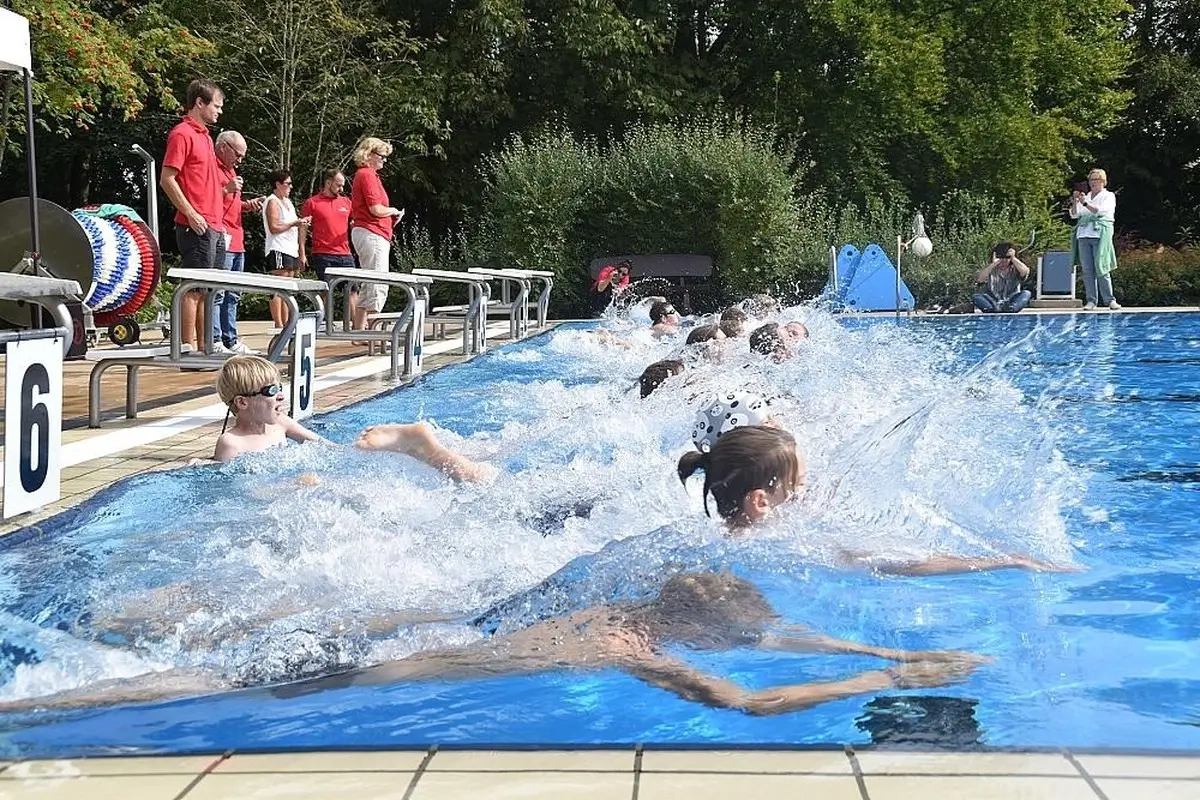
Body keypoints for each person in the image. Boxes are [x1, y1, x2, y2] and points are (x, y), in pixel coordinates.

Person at [0, 572, 985, 715]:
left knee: (205, 657)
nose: (743, 641)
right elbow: (748, 700)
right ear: (693, 630)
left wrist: (864, 647)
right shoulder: (632, 649)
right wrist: (884, 676)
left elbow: (769, 638)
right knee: (185, 686)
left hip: (380, 638)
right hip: (348, 673)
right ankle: (29, 706)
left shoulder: (621, 605)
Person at [679, 424, 1073, 575]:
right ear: (761, 502)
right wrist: (1003, 561)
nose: (805, 492)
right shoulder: (777, 546)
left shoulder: (720, 537)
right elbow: (893, 562)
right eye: (797, 486)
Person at [213, 356, 494, 483]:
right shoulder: (231, 443)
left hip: (301, 479)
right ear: (242, 402)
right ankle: (414, 445)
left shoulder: (282, 424)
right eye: (271, 391)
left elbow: (328, 449)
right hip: (302, 477)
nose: (281, 396)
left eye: (280, 387)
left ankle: (423, 448)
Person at [160, 79, 226, 354]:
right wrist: (191, 213)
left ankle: (204, 347)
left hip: (215, 224)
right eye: (216, 106)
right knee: (194, 288)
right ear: (199, 102)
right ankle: (186, 349)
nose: (219, 111)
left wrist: (220, 222)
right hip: (195, 224)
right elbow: (167, 178)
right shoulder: (182, 133)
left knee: (210, 289)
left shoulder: (206, 137)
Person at [211, 130, 263, 355]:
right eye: (238, 155)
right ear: (223, 147)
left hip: (237, 239)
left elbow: (230, 204)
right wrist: (226, 189)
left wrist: (248, 205)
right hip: (221, 238)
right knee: (218, 293)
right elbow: (205, 200)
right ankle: (214, 340)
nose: (240, 160)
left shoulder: (230, 170)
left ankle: (230, 339)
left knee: (233, 294)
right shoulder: (211, 167)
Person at [349, 137, 404, 334]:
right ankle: (374, 333)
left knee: (369, 284)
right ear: (370, 154)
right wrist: (393, 211)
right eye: (382, 156)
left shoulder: (368, 175)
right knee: (377, 284)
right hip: (372, 233)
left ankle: (359, 332)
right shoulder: (367, 175)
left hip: (371, 232)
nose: (384, 160)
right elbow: (376, 209)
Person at [261, 169, 310, 329]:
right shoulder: (272, 201)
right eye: (288, 183)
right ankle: (278, 324)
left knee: (287, 288)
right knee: (278, 286)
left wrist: (301, 224)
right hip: (278, 248)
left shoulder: (287, 202)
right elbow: (274, 227)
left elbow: (294, 225)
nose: (291, 187)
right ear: (278, 184)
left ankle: (288, 323)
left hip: (290, 249)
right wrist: (294, 224)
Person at [1069, 168, 1120, 310]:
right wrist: (1076, 201)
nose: (1093, 182)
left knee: (1101, 266)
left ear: (1103, 181)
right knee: (1087, 269)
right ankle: (1091, 300)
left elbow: (1100, 211)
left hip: (1099, 234)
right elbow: (1074, 215)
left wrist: (1085, 203)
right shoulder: (1086, 196)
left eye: (1096, 180)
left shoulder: (1108, 196)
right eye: (1091, 180)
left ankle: (1110, 299)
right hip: (1084, 234)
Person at [301, 169, 355, 283]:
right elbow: (303, 229)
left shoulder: (346, 202)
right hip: (323, 254)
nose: (341, 189)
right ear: (328, 183)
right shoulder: (312, 203)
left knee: (352, 288)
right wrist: (302, 253)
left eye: (342, 186)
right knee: (326, 288)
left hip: (345, 253)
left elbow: (356, 221)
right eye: (338, 185)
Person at [972, 242, 1031, 313]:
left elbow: (1025, 272)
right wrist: (993, 264)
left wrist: (1013, 258)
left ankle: (1011, 309)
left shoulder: (1016, 268)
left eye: (1007, 257)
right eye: (1001, 257)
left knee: (1026, 293)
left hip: (1011, 301)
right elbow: (980, 279)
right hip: (992, 302)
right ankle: (993, 309)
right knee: (976, 296)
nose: (1004, 260)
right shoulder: (990, 269)